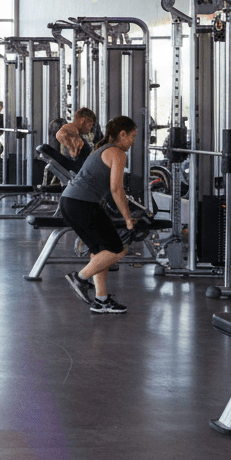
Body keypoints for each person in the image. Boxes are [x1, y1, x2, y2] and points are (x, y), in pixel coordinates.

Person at [62, 116, 140, 315]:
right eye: (132, 136)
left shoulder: (102, 149)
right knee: (117, 249)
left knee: (100, 251)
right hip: (82, 204)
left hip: (70, 202)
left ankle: (101, 300)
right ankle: (80, 278)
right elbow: (116, 189)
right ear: (122, 134)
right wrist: (128, 219)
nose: (133, 141)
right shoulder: (117, 153)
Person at [54, 107, 97, 173]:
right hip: (83, 173)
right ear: (83, 120)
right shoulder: (70, 129)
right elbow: (76, 158)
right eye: (90, 125)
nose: (90, 128)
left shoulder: (78, 134)